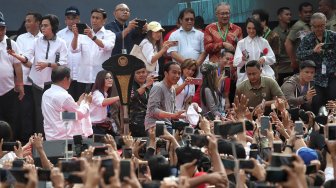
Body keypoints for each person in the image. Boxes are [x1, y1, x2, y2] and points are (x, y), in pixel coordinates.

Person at [11, 14, 68, 135]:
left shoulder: (61, 43)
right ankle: (39, 138)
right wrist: (17, 56)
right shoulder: (37, 41)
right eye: (41, 25)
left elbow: (63, 63)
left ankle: (53, 137)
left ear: (54, 26)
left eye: (46, 25)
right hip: (37, 83)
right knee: (38, 111)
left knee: (52, 111)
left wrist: (47, 64)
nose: (42, 28)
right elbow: (28, 56)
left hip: (52, 83)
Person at [297, 12, 336, 114]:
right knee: (316, 101)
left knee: (332, 100)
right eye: (316, 26)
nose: (319, 29)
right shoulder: (307, 39)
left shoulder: (333, 36)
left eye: (322, 26)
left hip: (332, 74)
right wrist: (313, 51)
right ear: (311, 26)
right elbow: (299, 55)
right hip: (316, 77)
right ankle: (317, 126)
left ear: (326, 23)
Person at [42, 66, 92, 140]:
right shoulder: (64, 96)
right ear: (65, 79)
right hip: (64, 138)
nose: (71, 80)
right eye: (70, 78)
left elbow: (61, 115)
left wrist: (78, 103)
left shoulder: (46, 93)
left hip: (51, 136)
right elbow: (80, 115)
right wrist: (87, 103)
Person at [14, 12, 43, 143]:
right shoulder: (21, 38)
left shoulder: (45, 37)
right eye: (25, 21)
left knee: (40, 112)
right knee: (25, 112)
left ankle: (39, 141)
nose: (26, 23)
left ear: (38, 22)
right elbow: (19, 57)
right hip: (25, 81)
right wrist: (31, 64)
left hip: (40, 82)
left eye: (29, 21)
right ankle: (26, 142)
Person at [71, 8, 115, 89]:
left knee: (100, 101)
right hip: (83, 78)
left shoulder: (110, 34)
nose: (94, 20)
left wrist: (92, 37)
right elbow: (74, 50)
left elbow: (107, 46)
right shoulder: (83, 35)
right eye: (92, 17)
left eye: (97, 18)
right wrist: (75, 36)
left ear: (104, 20)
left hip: (101, 79)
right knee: (82, 101)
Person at [0, 13, 24, 140]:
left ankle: (10, 146)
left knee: (11, 120)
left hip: (8, 89)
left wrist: (20, 84)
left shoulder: (11, 43)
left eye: (2, 28)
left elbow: (17, 65)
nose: (1, 31)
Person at [233, 17, 276, 86]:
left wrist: (264, 59)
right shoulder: (241, 43)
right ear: (246, 28)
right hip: (246, 76)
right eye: (249, 28)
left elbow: (272, 59)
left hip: (263, 74)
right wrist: (242, 59)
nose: (251, 31)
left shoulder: (263, 42)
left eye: (254, 28)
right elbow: (236, 63)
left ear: (257, 28)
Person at [144, 62, 185, 131]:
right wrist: (173, 115)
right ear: (166, 73)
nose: (177, 76)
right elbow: (152, 110)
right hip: (154, 125)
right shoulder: (158, 87)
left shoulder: (173, 89)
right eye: (174, 72)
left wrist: (181, 115)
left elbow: (173, 111)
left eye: (179, 73)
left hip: (167, 125)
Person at [57, 6, 82, 100]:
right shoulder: (60, 34)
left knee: (82, 103)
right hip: (66, 76)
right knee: (67, 104)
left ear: (78, 19)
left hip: (82, 75)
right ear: (65, 20)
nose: (71, 21)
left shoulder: (86, 33)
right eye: (69, 18)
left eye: (74, 18)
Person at [285, 2, 313, 72]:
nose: (308, 14)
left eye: (310, 12)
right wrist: (293, 61)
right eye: (305, 12)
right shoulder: (298, 26)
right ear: (300, 13)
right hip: (302, 63)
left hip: (311, 61)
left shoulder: (311, 25)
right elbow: (288, 43)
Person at [89, 70, 120, 135]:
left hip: (102, 126)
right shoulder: (96, 93)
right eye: (106, 78)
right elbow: (102, 102)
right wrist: (119, 97)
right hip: (94, 128)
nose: (110, 80)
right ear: (100, 80)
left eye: (111, 78)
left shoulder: (105, 94)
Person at [129, 65, 156, 137]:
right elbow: (131, 98)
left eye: (143, 72)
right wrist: (146, 85)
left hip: (149, 120)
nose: (141, 74)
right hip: (135, 122)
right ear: (133, 75)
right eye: (138, 73)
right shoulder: (130, 85)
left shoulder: (150, 85)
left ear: (147, 73)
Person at [273, 7, 293, 85]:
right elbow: (276, 53)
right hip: (282, 68)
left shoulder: (292, 30)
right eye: (287, 14)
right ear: (279, 17)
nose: (289, 16)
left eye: (290, 14)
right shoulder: (275, 33)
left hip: (293, 66)